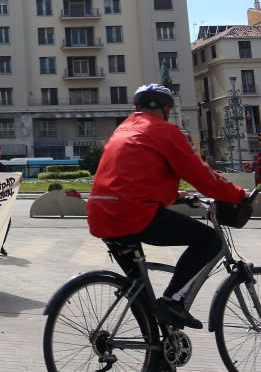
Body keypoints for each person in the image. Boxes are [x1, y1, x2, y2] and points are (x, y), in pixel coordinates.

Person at [88, 84, 248, 330]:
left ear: (137, 107)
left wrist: (173, 196)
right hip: (133, 215)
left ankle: (156, 356)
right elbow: (201, 175)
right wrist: (238, 195)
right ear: (166, 109)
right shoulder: (163, 130)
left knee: (138, 291)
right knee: (209, 240)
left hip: (101, 215)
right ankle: (174, 301)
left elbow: (132, 178)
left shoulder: (122, 130)